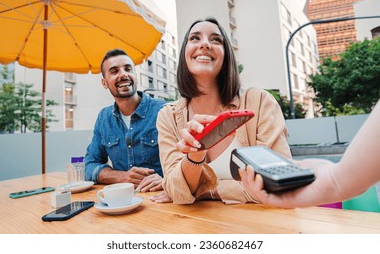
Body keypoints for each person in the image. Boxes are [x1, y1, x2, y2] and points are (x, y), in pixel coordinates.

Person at [150, 17, 291, 204]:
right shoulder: (167, 116)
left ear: (226, 56)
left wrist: (205, 191)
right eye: (195, 38)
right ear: (184, 53)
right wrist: (195, 155)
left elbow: (280, 181)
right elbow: (176, 190)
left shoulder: (259, 102)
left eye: (216, 39)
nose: (205, 44)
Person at [240, 99, 380, 208]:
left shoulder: (260, 100)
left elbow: (340, 181)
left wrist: (335, 180)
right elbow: (340, 181)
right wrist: (334, 180)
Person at [84, 48, 166, 192]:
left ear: (136, 76)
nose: (123, 74)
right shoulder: (104, 118)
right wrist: (121, 177)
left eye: (128, 69)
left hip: (162, 200)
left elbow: (186, 161)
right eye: (114, 71)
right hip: (121, 202)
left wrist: (167, 180)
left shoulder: (164, 111)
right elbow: (90, 165)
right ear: (104, 83)